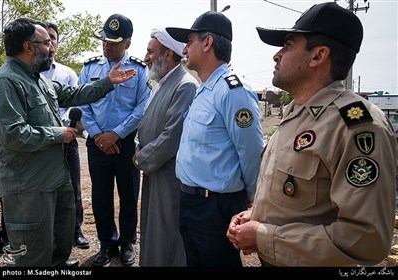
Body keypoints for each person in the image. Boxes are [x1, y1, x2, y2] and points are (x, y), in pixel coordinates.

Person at [227, 2, 398, 267]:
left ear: (318, 56)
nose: (277, 55)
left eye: (288, 45)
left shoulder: (358, 127)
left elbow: (366, 240)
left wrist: (264, 236)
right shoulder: (295, 113)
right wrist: (256, 216)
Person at [0, 17, 136, 267]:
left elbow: (73, 93)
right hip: (29, 186)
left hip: (53, 178)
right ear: (28, 48)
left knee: (58, 243)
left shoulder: (38, 79)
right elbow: (13, 134)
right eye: (46, 42)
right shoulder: (6, 82)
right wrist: (57, 134)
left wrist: (108, 82)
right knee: (34, 255)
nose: (52, 48)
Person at [166, 11, 264, 267]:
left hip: (216, 206)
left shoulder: (233, 90)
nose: (184, 48)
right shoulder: (205, 89)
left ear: (207, 43)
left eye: (189, 40)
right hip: (191, 201)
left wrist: (255, 201)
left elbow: (252, 151)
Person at [79, 14, 150, 267]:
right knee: (100, 196)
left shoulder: (139, 70)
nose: (107, 46)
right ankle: (107, 244)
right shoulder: (89, 68)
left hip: (125, 143)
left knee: (129, 194)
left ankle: (127, 242)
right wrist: (98, 135)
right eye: (105, 41)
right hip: (97, 143)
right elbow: (83, 103)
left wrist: (116, 134)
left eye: (114, 42)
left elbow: (142, 107)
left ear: (127, 44)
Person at [133, 27, 198, 267]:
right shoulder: (161, 83)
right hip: (155, 170)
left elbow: (173, 135)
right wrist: (139, 146)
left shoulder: (185, 85)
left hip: (169, 175)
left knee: (166, 234)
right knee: (152, 229)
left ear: (168, 55)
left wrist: (143, 158)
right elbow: (148, 124)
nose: (146, 56)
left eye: (150, 51)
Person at [41, 22, 89, 250]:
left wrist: (64, 124)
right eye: (45, 39)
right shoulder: (28, 74)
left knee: (73, 188)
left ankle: (75, 231)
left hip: (67, 140)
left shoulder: (67, 73)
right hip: (43, 141)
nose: (50, 44)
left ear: (57, 44)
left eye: (53, 39)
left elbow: (75, 102)